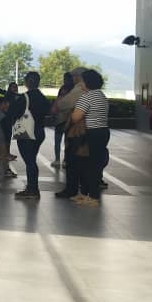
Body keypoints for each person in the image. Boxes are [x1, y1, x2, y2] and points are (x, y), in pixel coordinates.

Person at [68, 69, 109, 207]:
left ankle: (92, 196)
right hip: (102, 132)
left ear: (87, 82)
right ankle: (86, 194)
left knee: (88, 165)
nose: (80, 83)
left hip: (90, 133)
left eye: (82, 81)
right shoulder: (101, 95)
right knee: (94, 164)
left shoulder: (87, 97)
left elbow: (75, 117)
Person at [9, 71, 51, 199]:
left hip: (26, 133)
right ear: (38, 82)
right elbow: (47, 112)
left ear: (26, 82)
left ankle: (32, 189)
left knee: (30, 161)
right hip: (39, 132)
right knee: (32, 159)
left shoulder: (23, 98)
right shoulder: (43, 98)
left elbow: (12, 114)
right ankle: (32, 187)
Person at [51, 72, 75, 167]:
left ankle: (57, 160)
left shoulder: (63, 89)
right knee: (67, 141)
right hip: (70, 119)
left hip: (61, 118)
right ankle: (65, 160)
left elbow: (57, 102)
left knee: (58, 140)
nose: (65, 80)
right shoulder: (74, 90)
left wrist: (54, 113)